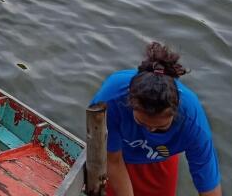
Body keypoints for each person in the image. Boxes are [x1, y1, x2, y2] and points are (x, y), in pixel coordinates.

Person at [90, 42, 222, 196]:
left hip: (161, 155)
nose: (150, 130)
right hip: (118, 155)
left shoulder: (193, 122)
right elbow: (112, 161)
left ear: (175, 112)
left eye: (161, 127)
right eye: (141, 123)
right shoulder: (110, 101)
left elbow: (208, 183)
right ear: (130, 103)